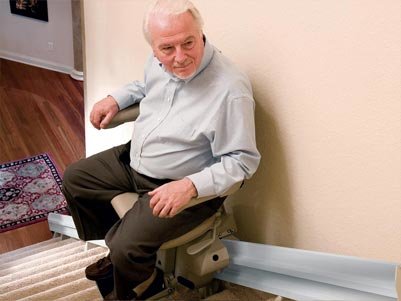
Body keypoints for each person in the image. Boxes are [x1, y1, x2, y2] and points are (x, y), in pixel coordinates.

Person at [62, 0, 260, 299]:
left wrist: (189, 186)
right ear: (154, 48)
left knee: (126, 245)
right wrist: (115, 98)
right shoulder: (158, 60)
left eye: (188, 43)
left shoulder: (230, 90)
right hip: (136, 160)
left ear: (200, 33)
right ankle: (123, 261)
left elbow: (242, 163)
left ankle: (142, 285)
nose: (180, 57)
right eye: (167, 49)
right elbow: (145, 86)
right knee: (76, 179)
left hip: (181, 186)